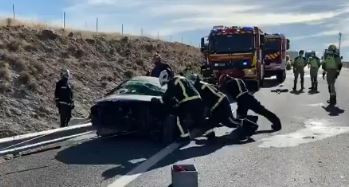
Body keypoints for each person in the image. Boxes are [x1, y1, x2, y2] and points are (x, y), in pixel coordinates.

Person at [188, 74, 259, 140]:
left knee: (231, 121)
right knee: (227, 123)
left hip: (221, 104)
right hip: (216, 106)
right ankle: (210, 135)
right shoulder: (198, 87)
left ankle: (252, 126)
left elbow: (213, 96)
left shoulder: (202, 86)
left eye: (192, 81)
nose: (191, 83)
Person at [152, 70, 204, 142]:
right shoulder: (181, 78)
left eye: (166, 83)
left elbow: (167, 96)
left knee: (179, 118)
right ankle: (209, 132)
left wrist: (159, 101)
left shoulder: (173, 81)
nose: (166, 84)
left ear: (167, 77)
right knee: (199, 120)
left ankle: (184, 136)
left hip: (188, 101)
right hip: (198, 100)